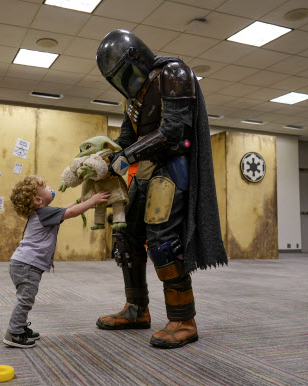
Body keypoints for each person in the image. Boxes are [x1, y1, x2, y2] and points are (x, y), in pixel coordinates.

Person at [94, 29, 228, 349]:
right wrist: (101, 159)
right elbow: (127, 139)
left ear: (136, 58)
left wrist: (126, 156)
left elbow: (174, 133)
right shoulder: (134, 96)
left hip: (172, 167)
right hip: (145, 170)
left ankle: (184, 319)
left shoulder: (174, 73)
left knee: (162, 242)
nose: (124, 82)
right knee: (126, 236)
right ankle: (137, 309)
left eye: (124, 73)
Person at [4, 175, 110, 348]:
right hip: (27, 265)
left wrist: (79, 200)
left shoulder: (43, 213)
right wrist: (93, 200)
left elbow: (64, 209)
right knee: (25, 300)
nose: (50, 188)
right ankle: (14, 332)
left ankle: (20, 327)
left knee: (25, 298)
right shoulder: (44, 213)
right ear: (38, 200)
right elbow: (71, 213)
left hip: (23, 264)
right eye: (45, 186)